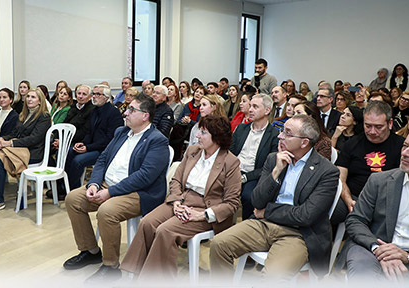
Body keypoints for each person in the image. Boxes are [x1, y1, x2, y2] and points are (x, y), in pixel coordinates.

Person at [210, 114, 340, 278]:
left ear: (304, 142)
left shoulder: (326, 171)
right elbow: (256, 201)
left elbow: (305, 216)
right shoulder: (274, 159)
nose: (280, 135)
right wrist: (276, 172)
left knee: (273, 276)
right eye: (282, 131)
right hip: (264, 225)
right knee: (219, 244)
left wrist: (266, 211)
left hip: (298, 234)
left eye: (287, 133)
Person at [64, 92, 171, 278]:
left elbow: (145, 176)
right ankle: (90, 252)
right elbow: (103, 159)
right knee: (73, 198)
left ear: (145, 115)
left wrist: (110, 192)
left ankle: (111, 265)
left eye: (131, 109)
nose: (126, 113)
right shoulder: (121, 132)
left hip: (138, 193)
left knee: (107, 211)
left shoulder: (157, 140)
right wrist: (95, 183)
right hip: (107, 185)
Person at [121, 115, 241, 277]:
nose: (197, 135)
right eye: (199, 131)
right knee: (147, 223)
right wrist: (176, 202)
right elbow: (176, 180)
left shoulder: (230, 162)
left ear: (217, 137)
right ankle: (135, 273)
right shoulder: (193, 152)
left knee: (165, 231)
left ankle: (158, 283)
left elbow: (232, 203)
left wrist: (201, 215)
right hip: (182, 199)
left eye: (203, 132)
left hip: (205, 208)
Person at [0, 86, 51, 214]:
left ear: (40, 101)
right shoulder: (25, 115)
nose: (29, 99)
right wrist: (2, 139)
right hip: (20, 150)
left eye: (33, 97)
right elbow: (14, 132)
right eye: (28, 96)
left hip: (33, 152)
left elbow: (34, 139)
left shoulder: (43, 116)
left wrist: (10, 143)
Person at [345, 135, 409, 277]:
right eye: (405, 146)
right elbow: (355, 220)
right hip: (373, 249)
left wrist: (406, 256)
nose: (404, 153)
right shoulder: (379, 180)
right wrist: (378, 249)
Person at [337, 101, 402, 217]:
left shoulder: (401, 146)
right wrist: (348, 200)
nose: (372, 132)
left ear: (390, 123)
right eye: (368, 126)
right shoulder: (352, 144)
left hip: (388, 200)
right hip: (353, 196)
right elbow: (340, 179)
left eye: (378, 127)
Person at [231, 94, 279, 218]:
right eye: (250, 106)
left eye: (255, 107)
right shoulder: (241, 128)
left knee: (249, 196)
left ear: (267, 110)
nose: (250, 109)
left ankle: (247, 227)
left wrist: (245, 177)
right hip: (234, 171)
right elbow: (230, 153)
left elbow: (268, 166)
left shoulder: (274, 135)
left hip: (254, 176)